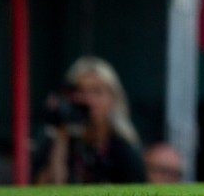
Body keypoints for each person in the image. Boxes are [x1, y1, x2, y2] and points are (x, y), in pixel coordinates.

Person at [33, 56, 146, 184]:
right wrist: (61, 138)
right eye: (81, 91)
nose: (88, 100)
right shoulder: (53, 139)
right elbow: (48, 187)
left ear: (113, 98)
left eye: (96, 91)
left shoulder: (124, 148)